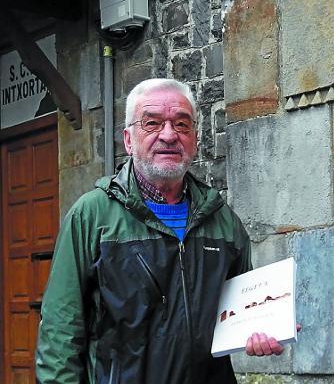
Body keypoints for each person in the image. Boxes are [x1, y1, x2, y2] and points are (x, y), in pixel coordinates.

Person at [35, 78, 286, 384]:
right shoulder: (92, 216)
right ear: (129, 140)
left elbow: (244, 311)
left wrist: (267, 328)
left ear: (194, 138)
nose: (169, 135)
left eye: (181, 124)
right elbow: (60, 332)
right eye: (152, 123)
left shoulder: (223, 222)